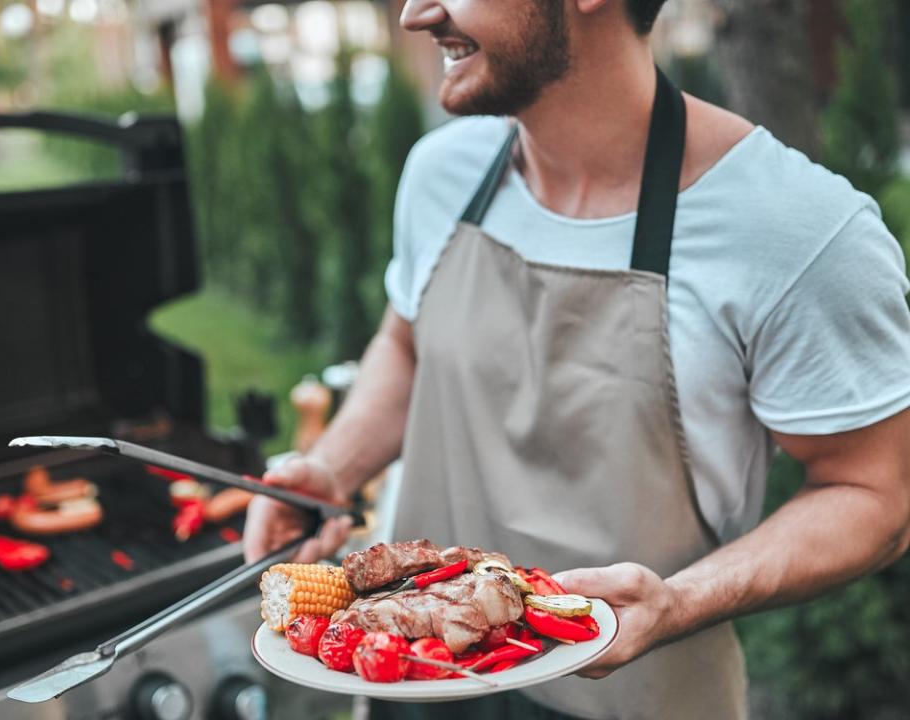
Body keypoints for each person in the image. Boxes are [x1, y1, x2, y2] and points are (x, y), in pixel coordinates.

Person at [244, 1, 910, 717]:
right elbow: (408, 345)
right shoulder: (442, 171)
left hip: (636, 695)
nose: (415, 13)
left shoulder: (796, 230)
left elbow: (876, 495)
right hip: (411, 675)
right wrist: (334, 468)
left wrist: (680, 601)